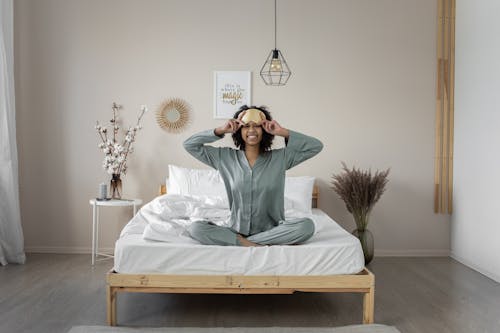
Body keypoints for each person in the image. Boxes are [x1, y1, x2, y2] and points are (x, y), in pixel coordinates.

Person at [183, 105, 323, 247]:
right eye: (246, 126)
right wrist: (222, 130)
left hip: (273, 230)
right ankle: (249, 242)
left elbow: (316, 146)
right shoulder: (224, 158)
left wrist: (282, 132)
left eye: (257, 126)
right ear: (238, 129)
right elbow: (189, 145)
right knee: (195, 228)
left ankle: (243, 243)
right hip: (235, 230)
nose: (251, 130)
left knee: (307, 226)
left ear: (265, 129)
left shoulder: (281, 158)